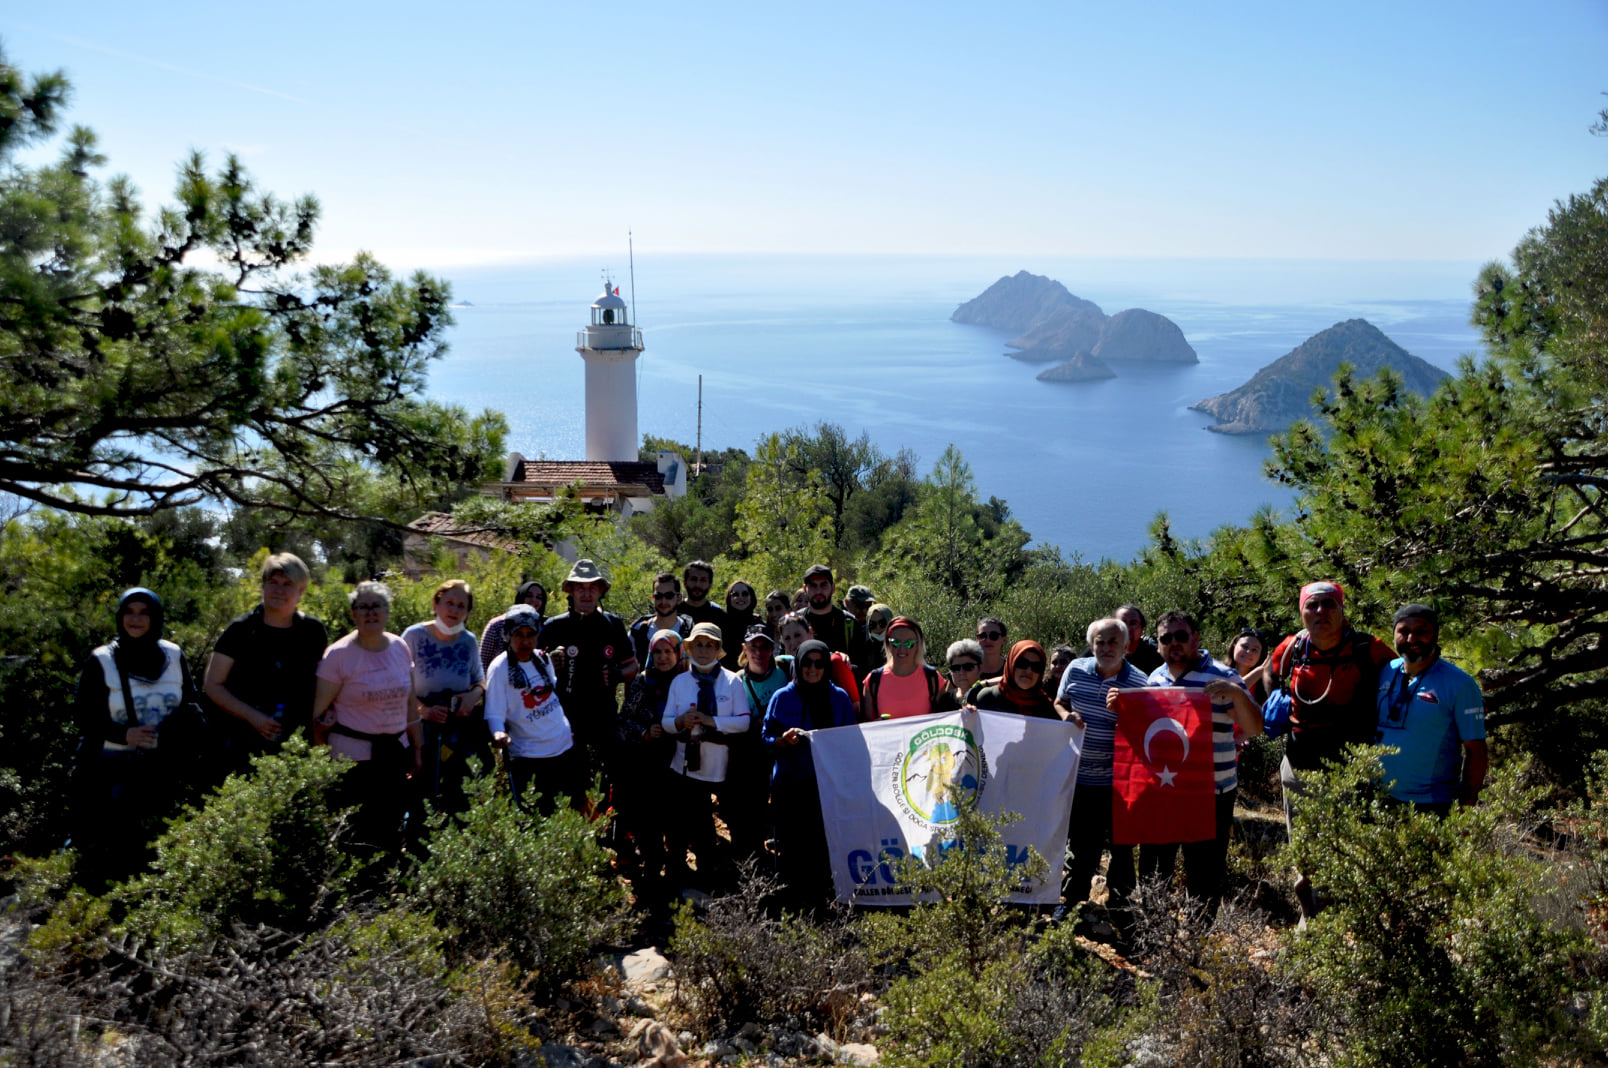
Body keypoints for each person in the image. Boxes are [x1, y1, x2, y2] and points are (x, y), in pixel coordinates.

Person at [1264, 581, 1393, 919]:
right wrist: (1276, 703)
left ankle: (1342, 921)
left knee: (1345, 842)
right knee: (1303, 845)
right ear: (1302, 611)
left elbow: (1399, 686)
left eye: (1328, 605)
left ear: (1341, 609)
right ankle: (1312, 917)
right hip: (1299, 759)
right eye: (1312, 605)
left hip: (1349, 764)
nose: (1320, 612)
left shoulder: (1370, 649)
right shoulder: (1291, 647)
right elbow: (1270, 672)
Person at [1115, 609, 1261, 910]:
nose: (1174, 643)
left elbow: (1255, 727)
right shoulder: (1155, 678)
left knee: (1204, 871)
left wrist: (1236, 693)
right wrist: (1121, 708)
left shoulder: (1224, 676)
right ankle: (1154, 930)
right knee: (1157, 864)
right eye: (1165, 638)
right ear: (1157, 645)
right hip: (1164, 790)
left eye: (1181, 636)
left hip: (1212, 793)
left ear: (1195, 639)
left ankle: (1198, 941)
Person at [72, 587, 205, 889]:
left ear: (155, 617)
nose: (136, 619)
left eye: (144, 612)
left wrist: (171, 735)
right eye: (129, 612)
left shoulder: (173, 654)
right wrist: (125, 733)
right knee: (109, 852)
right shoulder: (101, 660)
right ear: (120, 617)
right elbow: (82, 716)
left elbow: (192, 706)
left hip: (162, 768)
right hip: (107, 770)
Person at [312, 581, 422, 864]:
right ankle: (356, 899)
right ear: (353, 614)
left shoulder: (399, 647)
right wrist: (321, 761)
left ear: (387, 611)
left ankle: (388, 893)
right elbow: (317, 714)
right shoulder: (338, 656)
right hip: (353, 761)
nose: (371, 612)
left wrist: (417, 748)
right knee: (356, 834)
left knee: (392, 827)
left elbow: (410, 703)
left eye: (378, 606)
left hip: (395, 753)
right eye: (363, 606)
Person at [1056, 618, 1150, 934]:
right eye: (1100, 642)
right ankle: (1071, 903)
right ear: (1092, 644)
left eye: (1113, 642)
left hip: (1120, 782)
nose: (1106, 648)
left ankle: (1122, 910)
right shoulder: (1075, 670)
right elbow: (1059, 702)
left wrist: (1128, 711)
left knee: (1123, 849)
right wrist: (1066, 715)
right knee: (1080, 845)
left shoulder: (1139, 682)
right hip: (1080, 778)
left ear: (1126, 646)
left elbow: (1148, 732)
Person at [204, 552, 328, 773]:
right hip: (243, 739)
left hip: (298, 741)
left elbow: (324, 681)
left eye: (287, 584)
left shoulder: (312, 631)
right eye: (273, 583)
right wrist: (253, 717)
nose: (279, 590)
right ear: (263, 587)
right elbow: (213, 685)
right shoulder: (240, 630)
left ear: (301, 592)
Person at [763, 639, 857, 910]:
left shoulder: (837, 698)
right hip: (790, 786)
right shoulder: (783, 697)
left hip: (826, 788)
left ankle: (822, 904)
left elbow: (849, 740)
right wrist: (781, 740)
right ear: (798, 664)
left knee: (822, 846)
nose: (813, 669)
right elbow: (765, 737)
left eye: (819, 663)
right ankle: (792, 907)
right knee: (791, 847)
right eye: (807, 663)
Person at [1375, 604, 1487, 814]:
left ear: (1435, 635)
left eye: (1421, 632)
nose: (1411, 639)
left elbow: (1476, 750)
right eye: (1404, 631)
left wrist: (1466, 809)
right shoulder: (1386, 671)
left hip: (1432, 804)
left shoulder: (1459, 684)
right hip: (1379, 799)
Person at [662, 623, 749, 890]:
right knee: (689, 823)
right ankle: (683, 876)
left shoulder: (732, 681)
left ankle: (733, 875)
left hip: (721, 764)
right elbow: (665, 721)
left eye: (709, 645)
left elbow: (743, 722)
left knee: (728, 820)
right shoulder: (680, 682)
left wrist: (711, 721)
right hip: (686, 764)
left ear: (717, 649)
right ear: (689, 648)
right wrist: (680, 721)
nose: (702, 650)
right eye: (697, 645)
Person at [540, 559, 637, 782]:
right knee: (568, 779)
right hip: (564, 717)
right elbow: (531, 670)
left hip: (605, 715)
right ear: (570, 590)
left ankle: (613, 816)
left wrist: (618, 674)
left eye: (592, 587)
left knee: (616, 773)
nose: (586, 593)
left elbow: (633, 666)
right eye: (580, 587)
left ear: (601, 590)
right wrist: (549, 664)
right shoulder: (554, 626)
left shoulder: (612, 624)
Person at [485, 605, 584, 816]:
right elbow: (494, 712)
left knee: (566, 815)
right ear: (508, 636)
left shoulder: (542, 659)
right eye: (518, 635)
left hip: (563, 748)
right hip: (529, 756)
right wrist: (498, 733)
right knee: (534, 817)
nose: (525, 641)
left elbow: (552, 695)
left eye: (531, 635)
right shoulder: (500, 668)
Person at [402, 579, 487, 821]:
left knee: (457, 794)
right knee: (421, 795)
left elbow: (480, 681)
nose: (454, 610)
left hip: (456, 731)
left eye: (461, 606)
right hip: (419, 731)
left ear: (468, 612)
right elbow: (397, 684)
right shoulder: (414, 636)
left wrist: (472, 696)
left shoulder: (468, 641)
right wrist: (423, 710)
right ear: (435, 604)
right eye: (449, 603)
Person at [616, 629, 685, 901]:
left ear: (678, 653)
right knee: (649, 817)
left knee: (677, 817)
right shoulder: (642, 681)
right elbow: (625, 719)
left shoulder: (686, 681)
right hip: (646, 761)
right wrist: (645, 730)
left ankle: (677, 869)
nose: (663, 657)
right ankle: (653, 868)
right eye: (657, 651)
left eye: (668, 651)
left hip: (679, 758)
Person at [725, 623, 788, 864]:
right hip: (750, 753)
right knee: (752, 805)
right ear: (745, 649)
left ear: (773, 648)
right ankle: (752, 855)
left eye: (765, 647)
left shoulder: (785, 669)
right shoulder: (736, 680)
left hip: (781, 746)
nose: (759, 653)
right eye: (753, 647)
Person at [860, 617, 957, 720]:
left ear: (917, 645)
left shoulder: (932, 678)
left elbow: (947, 719)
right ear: (888, 645)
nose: (902, 649)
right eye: (895, 643)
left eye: (909, 643)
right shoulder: (873, 680)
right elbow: (867, 727)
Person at [778, 610, 861, 714]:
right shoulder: (783, 667)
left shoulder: (835, 661)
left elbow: (855, 709)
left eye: (797, 635)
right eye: (787, 638)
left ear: (810, 633)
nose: (793, 642)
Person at [973, 640, 1058, 719]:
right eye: (1022, 663)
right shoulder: (987, 698)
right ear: (1011, 664)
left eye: (1036, 667)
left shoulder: (1048, 708)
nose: (1029, 670)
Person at [479, 580, 546, 673]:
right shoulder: (497, 625)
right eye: (529, 595)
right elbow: (482, 663)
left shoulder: (545, 627)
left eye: (539, 597)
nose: (534, 600)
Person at [629, 572, 693, 666]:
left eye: (669, 596)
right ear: (653, 597)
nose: (663, 601)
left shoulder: (690, 632)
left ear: (679, 598)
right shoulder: (638, 631)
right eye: (658, 596)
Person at [802, 564, 855, 656]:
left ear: (833, 588)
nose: (818, 591)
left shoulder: (849, 623)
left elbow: (862, 666)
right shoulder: (796, 622)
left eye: (823, 585)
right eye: (813, 585)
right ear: (804, 589)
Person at [678, 560, 727, 634]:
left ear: (710, 585)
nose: (698, 585)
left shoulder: (718, 614)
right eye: (694, 579)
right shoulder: (675, 612)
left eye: (703, 580)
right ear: (685, 583)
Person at [721, 580, 760, 670]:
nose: (740, 597)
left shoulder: (758, 624)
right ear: (729, 598)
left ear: (751, 597)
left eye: (745, 594)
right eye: (735, 594)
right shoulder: (721, 623)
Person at [1224, 627, 1271, 702]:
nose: (1249, 652)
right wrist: (1257, 674)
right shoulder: (1216, 672)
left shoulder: (1263, 688)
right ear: (1234, 646)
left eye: (1255, 650)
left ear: (1260, 655)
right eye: (1244, 646)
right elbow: (1224, 698)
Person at [1114, 605, 1164, 675]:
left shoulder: (1155, 657)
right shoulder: (1102, 653)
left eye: (1133, 624)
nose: (1127, 629)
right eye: (1122, 623)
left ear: (1142, 629)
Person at [943, 639, 985, 706]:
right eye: (955, 668)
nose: (961, 672)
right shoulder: (945, 701)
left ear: (980, 669)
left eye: (968, 667)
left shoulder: (989, 697)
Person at [975, 617, 1009, 681]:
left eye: (994, 635)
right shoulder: (965, 668)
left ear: (1004, 640)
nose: (988, 640)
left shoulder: (1011, 669)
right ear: (977, 640)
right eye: (982, 636)